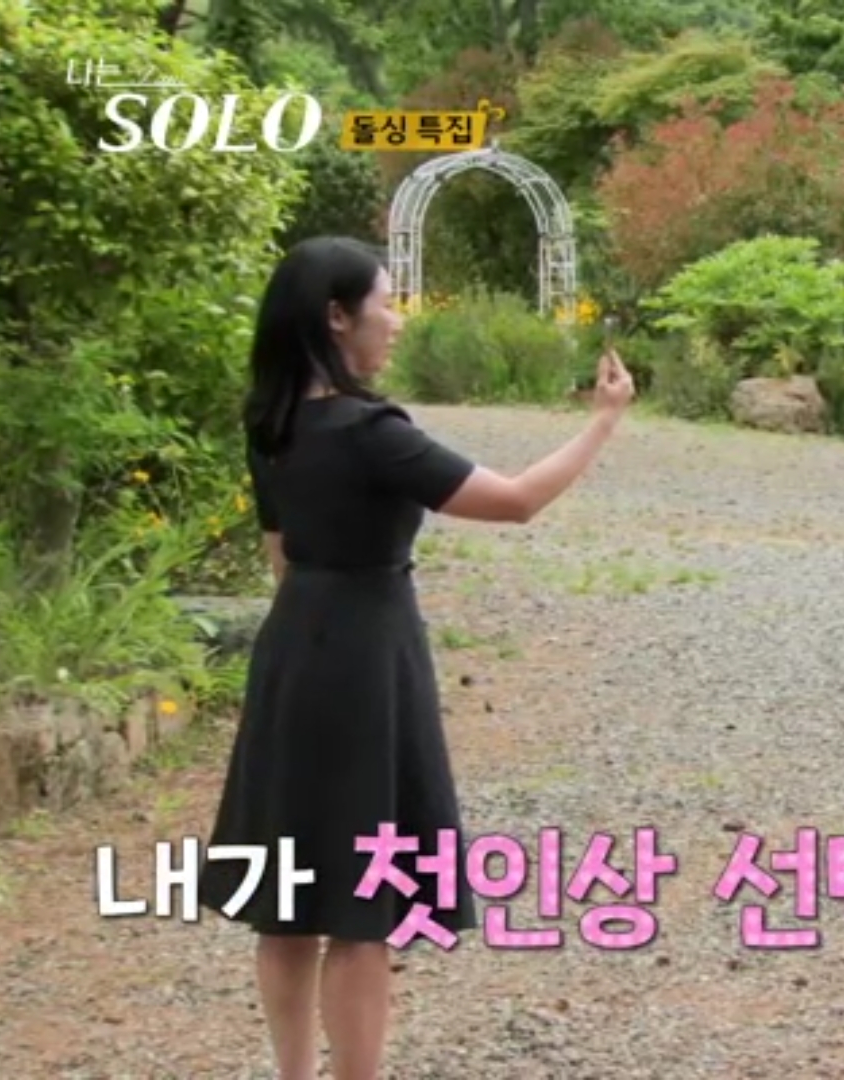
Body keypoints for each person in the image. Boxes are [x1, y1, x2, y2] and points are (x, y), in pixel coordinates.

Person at [197, 235, 635, 1080]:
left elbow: (281, 558)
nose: (397, 320)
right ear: (337, 316)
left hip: (292, 653)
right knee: (362, 908)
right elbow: (515, 501)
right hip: (367, 659)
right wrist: (603, 421)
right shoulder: (372, 433)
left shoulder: (272, 423)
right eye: (387, 303)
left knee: (286, 899)